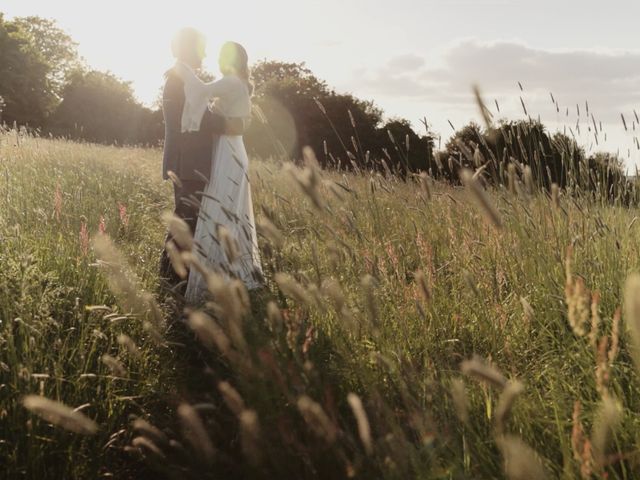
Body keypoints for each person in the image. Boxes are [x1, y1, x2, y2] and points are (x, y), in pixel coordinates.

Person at [173, 41, 263, 302]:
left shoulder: (232, 82)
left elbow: (200, 91)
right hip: (233, 148)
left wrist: (182, 67)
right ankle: (230, 271)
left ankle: (216, 278)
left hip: (228, 149)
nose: (217, 58)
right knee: (229, 212)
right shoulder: (235, 82)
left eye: (224, 54)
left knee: (219, 211)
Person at [159, 29, 244, 293]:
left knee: (187, 223)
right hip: (188, 162)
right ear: (189, 48)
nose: (205, 54)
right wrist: (235, 124)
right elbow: (197, 120)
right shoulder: (179, 78)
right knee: (185, 224)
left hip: (189, 161)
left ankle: (175, 281)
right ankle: (171, 282)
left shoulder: (184, 77)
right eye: (201, 48)